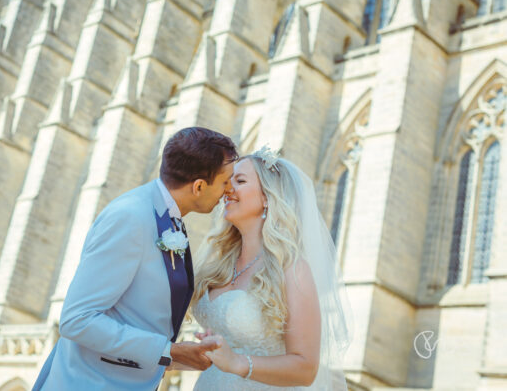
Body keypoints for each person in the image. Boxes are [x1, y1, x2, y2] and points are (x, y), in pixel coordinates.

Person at [32, 127, 239, 391]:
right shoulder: (130, 217)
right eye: (225, 181)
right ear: (199, 186)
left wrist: (178, 356)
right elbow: (77, 319)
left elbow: (137, 315)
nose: (228, 190)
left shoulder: (166, 217)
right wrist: (170, 351)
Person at [190, 146, 354, 390]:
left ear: (267, 197)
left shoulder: (293, 269)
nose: (227, 189)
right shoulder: (220, 265)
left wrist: (237, 362)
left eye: (240, 180)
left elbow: (306, 368)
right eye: (228, 180)